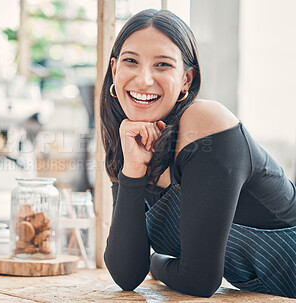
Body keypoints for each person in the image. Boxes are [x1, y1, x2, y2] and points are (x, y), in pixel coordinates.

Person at [100, 9, 296, 299]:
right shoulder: (130, 141)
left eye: (163, 65)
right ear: (115, 70)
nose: (143, 80)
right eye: (131, 61)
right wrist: (131, 171)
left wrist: (157, 262)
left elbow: (200, 280)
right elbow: (126, 274)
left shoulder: (205, 122)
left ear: (186, 80)